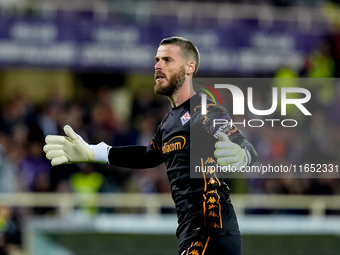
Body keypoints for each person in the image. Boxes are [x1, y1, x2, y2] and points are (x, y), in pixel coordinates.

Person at [43, 36, 258, 255]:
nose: (157, 65)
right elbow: (148, 155)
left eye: (167, 60)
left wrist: (241, 154)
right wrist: (93, 152)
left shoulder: (203, 109)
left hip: (213, 233)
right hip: (192, 235)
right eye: (157, 60)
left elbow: (244, 146)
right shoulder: (168, 122)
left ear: (189, 67)